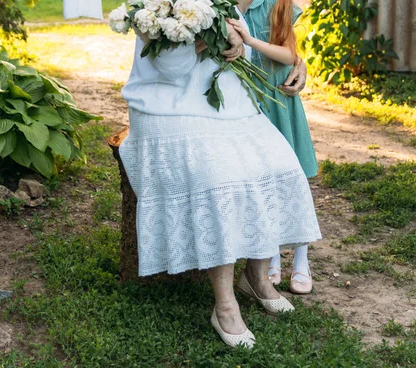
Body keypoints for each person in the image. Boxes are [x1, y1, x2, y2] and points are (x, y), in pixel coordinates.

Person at [118, 11, 321, 348]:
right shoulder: (151, 9)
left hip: (225, 104)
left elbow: (247, 45)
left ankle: (255, 277)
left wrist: (239, 42)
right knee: (219, 177)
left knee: (278, 164)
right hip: (167, 107)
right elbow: (170, 69)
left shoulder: (220, 4)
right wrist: (212, 35)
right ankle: (225, 305)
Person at [228, 0, 318, 295]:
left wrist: (252, 41)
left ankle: (302, 259)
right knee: (262, 179)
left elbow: (291, 54)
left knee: (292, 176)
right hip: (249, 101)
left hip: (279, 99)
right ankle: (272, 256)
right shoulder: (225, 7)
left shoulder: (277, 4)